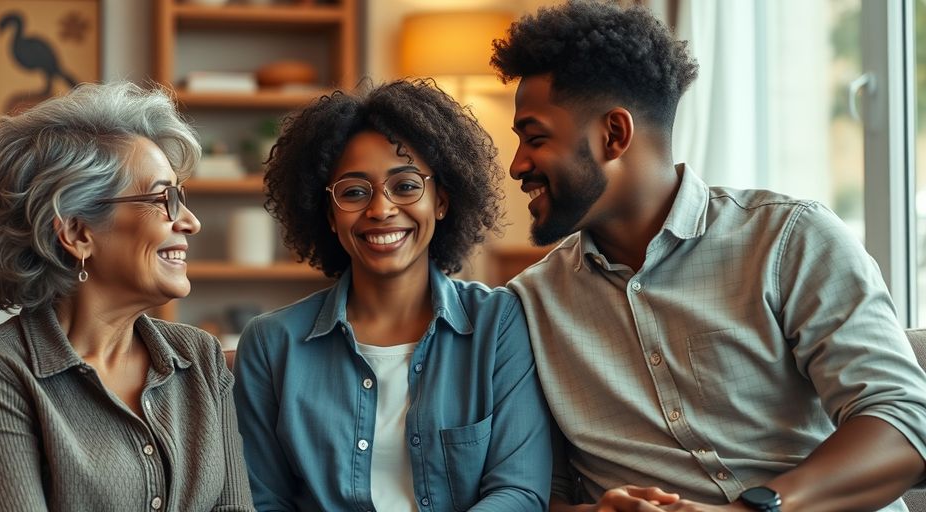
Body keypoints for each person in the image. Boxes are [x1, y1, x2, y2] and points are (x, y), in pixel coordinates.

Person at [493, 2, 926, 511]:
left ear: (614, 135)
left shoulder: (790, 239)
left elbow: (904, 424)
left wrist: (753, 508)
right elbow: (536, 490)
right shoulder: (530, 304)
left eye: (535, 138)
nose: (516, 165)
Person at [0, 82, 255, 511]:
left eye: (181, 197)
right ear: (78, 232)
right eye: (164, 199)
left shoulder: (200, 359)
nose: (190, 222)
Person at [233, 79, 552, 511]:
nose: (381, 209)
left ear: (441, 200)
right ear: (329, 215)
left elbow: (520, 492)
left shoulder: (498, 324)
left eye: (405, 186)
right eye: (354, 192)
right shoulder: (271, 344)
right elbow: (263, 501)